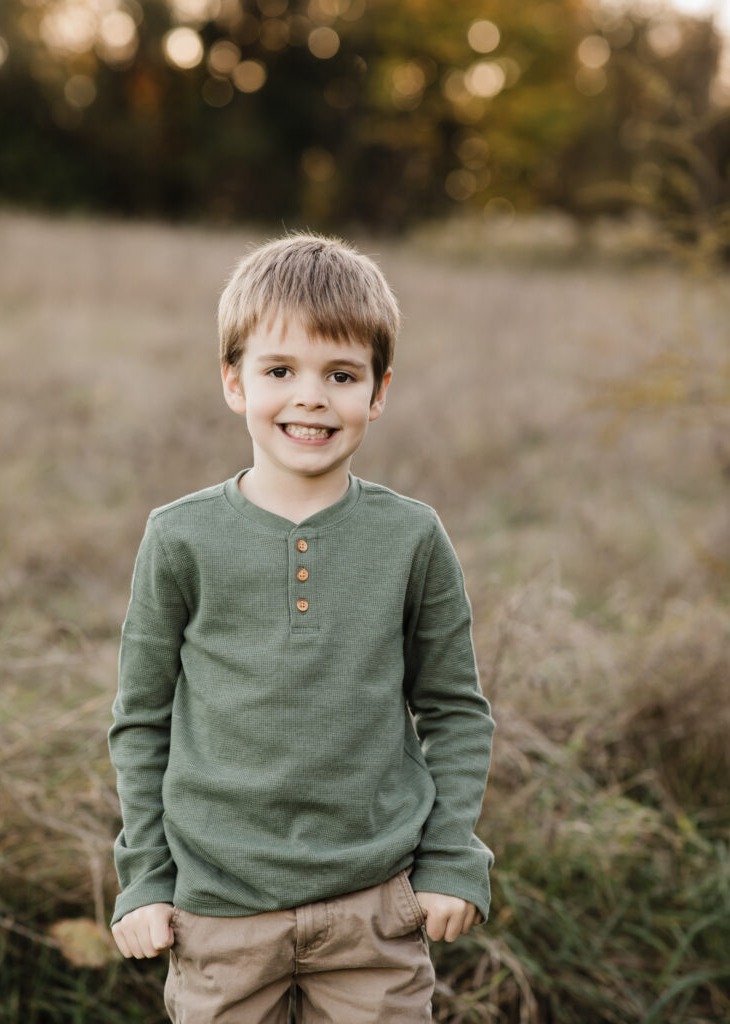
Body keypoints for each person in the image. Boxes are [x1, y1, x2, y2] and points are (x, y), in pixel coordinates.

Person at [108, 231, 496, 1023]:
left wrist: (453, 859)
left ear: (379, 392)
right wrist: (145, 878)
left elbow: (455, 712)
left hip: (375, 908)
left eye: (342, 375)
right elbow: (141, 721)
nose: (311, 397)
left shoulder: (412, 538)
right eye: (279, 371)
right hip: (217, 907)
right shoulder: (179, 538)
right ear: (233, 382)